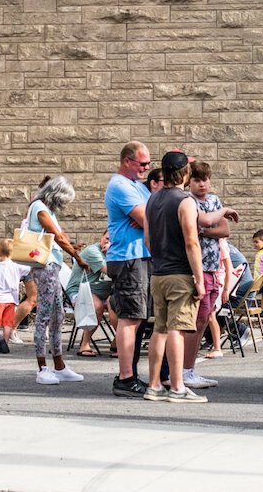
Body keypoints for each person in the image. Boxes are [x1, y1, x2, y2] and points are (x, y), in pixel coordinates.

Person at [143, 150, 206, 403]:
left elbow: (148, 239)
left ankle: (154, 385)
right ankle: (178, 387)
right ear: (185, 173)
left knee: (159, 329)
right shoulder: (186, 201)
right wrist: (199, 279)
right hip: (180, 273)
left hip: (158, 273)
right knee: (177, 331)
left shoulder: (152, 199)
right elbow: (192, 242)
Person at [23, 175, 85, 387]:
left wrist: (71, 247)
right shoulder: (39, 207)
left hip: (51, 266)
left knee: (57, 315)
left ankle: (59, 365)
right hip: (45, 266)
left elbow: (60, 235)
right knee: (45, 315)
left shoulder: (45, 209)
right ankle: (43, 367)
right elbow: (57, 236)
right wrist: (77, 258)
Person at [104, 140, 153, 398]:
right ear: (127, 161)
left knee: (139, 318)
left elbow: (152, 214)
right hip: (128, 258)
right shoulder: (120, 186)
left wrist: (149, 216)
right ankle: (125, 377)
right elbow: (149, 218)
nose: (146, 168)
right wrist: (147, 218)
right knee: (130, 317)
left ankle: (130, 374)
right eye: (142, 163)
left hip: (141, 257)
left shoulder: (137, 187)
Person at [183, 160, 235, 387]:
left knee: (204, 319)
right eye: (196, 180)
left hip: (215, 268)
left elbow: (224, 230)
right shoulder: (187, 201)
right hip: (197, 267)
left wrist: (206, 229)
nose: (202, 184)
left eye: (205, 180)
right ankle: (185, 369)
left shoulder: (214, 200)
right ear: (189, 181)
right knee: (194, 320)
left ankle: (190, 368)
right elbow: (197, 226)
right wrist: (208, 225)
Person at [66, 233, 112, 357]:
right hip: (81, 291)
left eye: (113, 240)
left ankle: (118, 342)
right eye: (107, 238)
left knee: (117, 304)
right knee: (96, 306)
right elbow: (110, 271)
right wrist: (113, 252)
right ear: (102, 237)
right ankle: (84, 344)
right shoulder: (93, 251)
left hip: (105, 293)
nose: (107, 242)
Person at [0, 240, 27, 354]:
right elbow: (29, 270)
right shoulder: (17, 267)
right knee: (8, 323)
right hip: (11, 300)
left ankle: (0, 341)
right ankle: (6, 343)